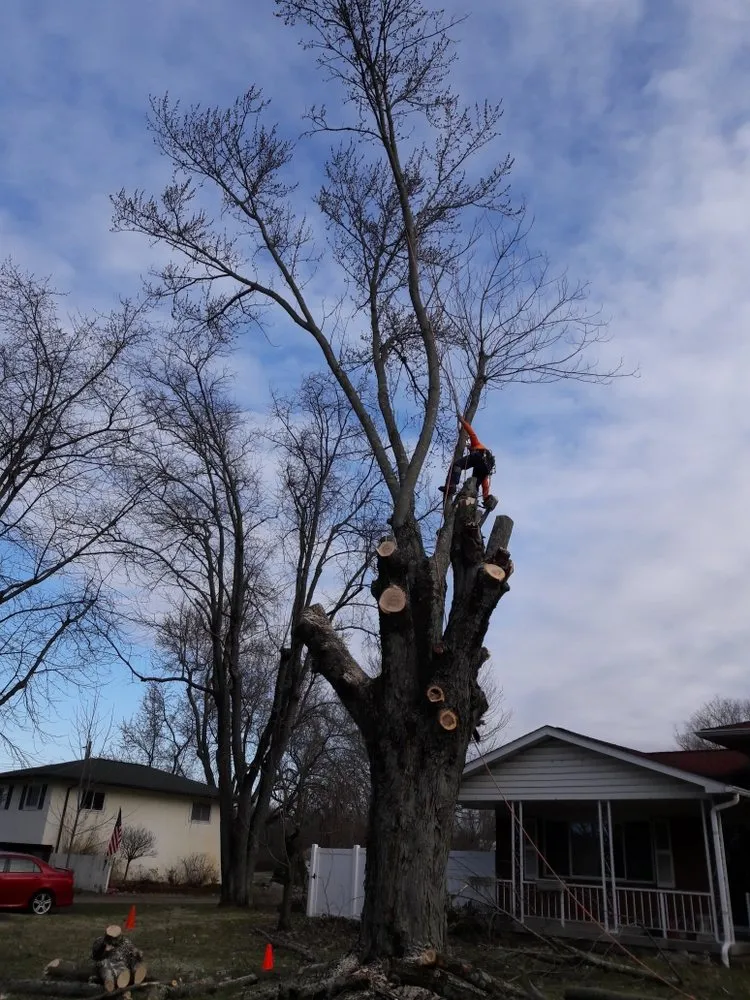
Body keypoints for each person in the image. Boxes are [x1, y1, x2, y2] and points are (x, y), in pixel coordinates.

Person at [439, 415, 496, 506]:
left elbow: (472, 434)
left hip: (479, 457)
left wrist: (462, 421)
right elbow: (485, 484)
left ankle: (452, 486)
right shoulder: (487, 465)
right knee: (475, 485)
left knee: (457, 465)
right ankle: (470, 505)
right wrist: (485, 498)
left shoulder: (476, 445)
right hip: (485, 468)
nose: (469, 449)